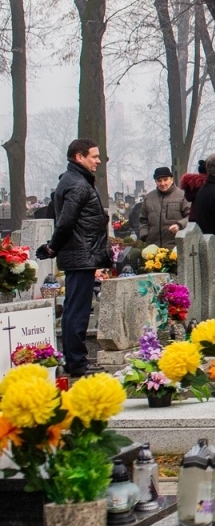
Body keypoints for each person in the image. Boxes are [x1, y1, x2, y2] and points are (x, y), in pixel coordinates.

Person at [38, 139, 111, 378]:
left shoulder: (74, 180)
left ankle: (74, 360)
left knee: (73, 309)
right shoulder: (78, 184)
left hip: (81, 254)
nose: (98, 161)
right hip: (81, 254)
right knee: (77, 311)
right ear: (79, 157)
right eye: (94, 156)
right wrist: (52, 248)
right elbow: (66, 222)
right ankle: (78, 362)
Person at [135, 167, 189, 245]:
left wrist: (179, 225)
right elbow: (143, 219)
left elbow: (190, 217)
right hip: (153, 246)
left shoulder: (183, 196)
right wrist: (145, 235)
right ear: (155, 182)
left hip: (175, 246)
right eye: (159, 181)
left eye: (165, 180)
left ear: (171, 179)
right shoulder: (149, 198)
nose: (162, 183)